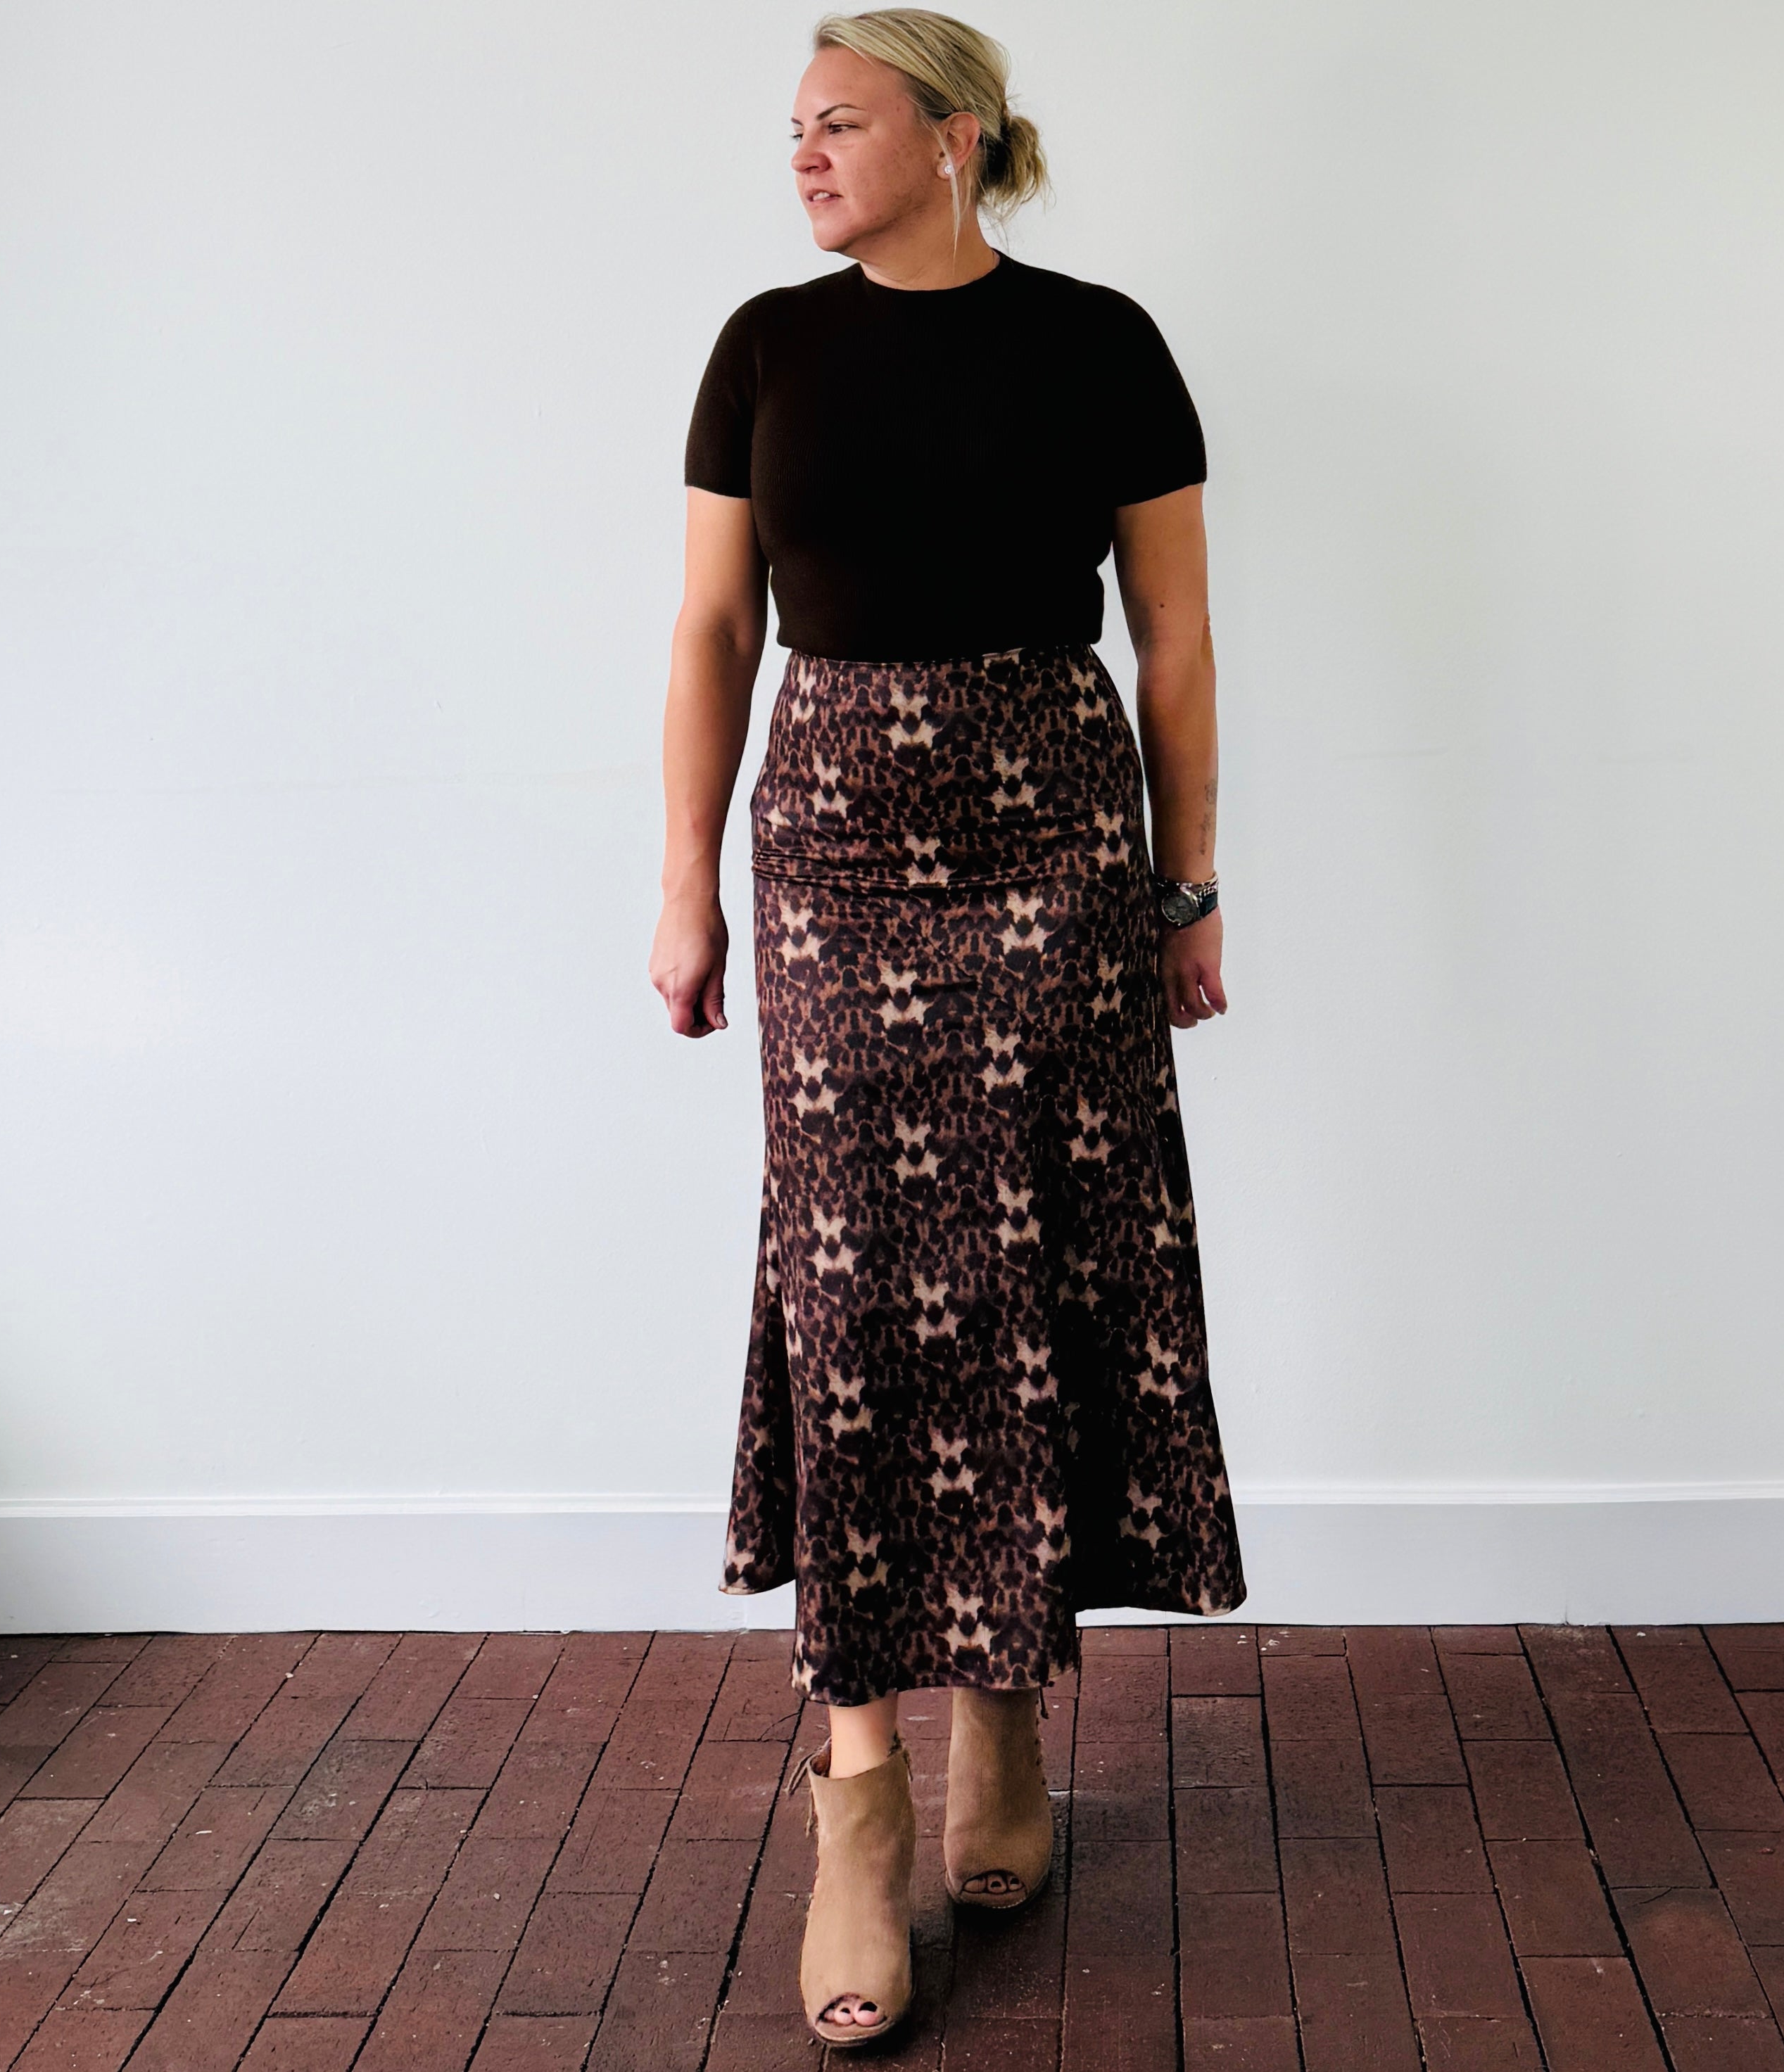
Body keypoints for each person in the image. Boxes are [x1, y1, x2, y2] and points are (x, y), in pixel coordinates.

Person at [649, 6, 1247, 2047]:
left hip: (1054, 837)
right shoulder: (765, 347)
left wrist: (1186, 883)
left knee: (1030, 1271)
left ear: (960, 135)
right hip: (834, 846)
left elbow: (1172, 630)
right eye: (794, 127)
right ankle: (859, 1790)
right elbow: (713, 625)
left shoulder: (1102, 342)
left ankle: (1005, 1718)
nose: (805, 155)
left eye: (842, 120)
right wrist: (684, 883)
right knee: (860, 1295)